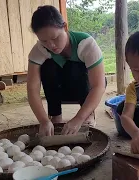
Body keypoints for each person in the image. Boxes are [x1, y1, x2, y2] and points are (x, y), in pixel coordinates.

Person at [27, 5, 106, 136]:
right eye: (44, 41)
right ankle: (55, 116)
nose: (51, 45)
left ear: (65, 27)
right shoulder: (39, 50)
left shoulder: (86, 44)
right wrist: (43, 121)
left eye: (55, 38)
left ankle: (88, 115)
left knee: (76, 67)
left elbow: (98, 86)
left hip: (85, 89)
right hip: (59, 90)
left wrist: (78, 118)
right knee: (48, 66)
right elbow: (32, 88)